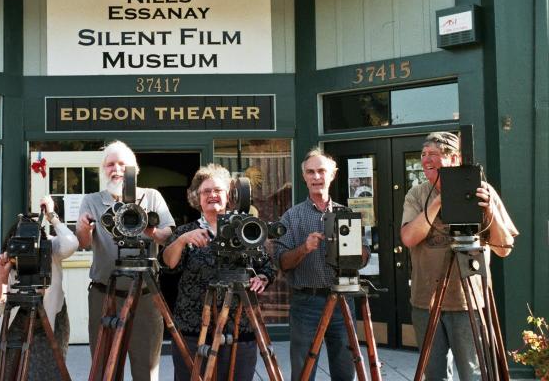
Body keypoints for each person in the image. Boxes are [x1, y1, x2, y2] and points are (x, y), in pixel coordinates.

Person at [400, 132, 518, 381]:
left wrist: (489, 211)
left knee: (473, 374)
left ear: (454, 158)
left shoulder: (482, 190)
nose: (426, 160)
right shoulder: (417, 194)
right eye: (423, 154)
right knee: (434, 374)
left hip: (468, 302)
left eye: (434, 154)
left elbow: (504, 247)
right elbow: (409, 238)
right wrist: (440, 201)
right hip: (425, 301)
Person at [161, 164, 274, 381]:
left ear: (229, 195)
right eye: (206, 191)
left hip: (239, 327)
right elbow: (169, 264)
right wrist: (182, 240)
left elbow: (266, 265)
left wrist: (262, 278)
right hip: (193, 328)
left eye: (218, 190)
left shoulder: (246, 229)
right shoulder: (186, 231)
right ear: (197, 198)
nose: (212, 195)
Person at [75, 140, 175, 381]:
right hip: (104, 293)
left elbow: (169, 233)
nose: (116, 169)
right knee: (104, 368)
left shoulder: (151, 197)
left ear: (135, 169)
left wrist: (153, 232)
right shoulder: (91, 200)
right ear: (103, 169)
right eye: (110, 164)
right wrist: (83, 229)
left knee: (146, 369)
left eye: (123, 164)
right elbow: (84, 243)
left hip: (144, 294)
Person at [273, 147, 370, 381]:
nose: (316, 177)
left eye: (321, 171)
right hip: (306, 301)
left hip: (342, 301)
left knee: (345, 369)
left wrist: (353, 250)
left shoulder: (347, 213)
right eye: (310, 172)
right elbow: (282, 263)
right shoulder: (291, 217)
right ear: (304, 176)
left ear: (333, 174)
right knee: (303, 372)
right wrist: (304, 249)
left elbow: (365, 257)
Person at [0, 195, 79, 380]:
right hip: (17, 323)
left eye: (32, 245)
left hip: (49, 322)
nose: (27, 250)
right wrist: (3, 276)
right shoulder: (8, 261)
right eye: (21, 244)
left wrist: (52, 217)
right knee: (12, 373)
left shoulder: (51, 250)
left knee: (47, 374)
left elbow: (72, 243)